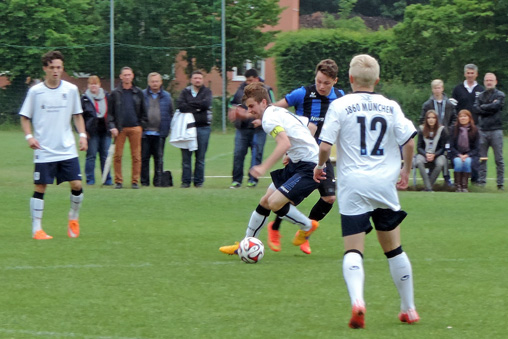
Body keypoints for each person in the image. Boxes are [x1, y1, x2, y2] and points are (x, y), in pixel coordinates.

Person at [314, 54, 419, 328]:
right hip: (383, 185)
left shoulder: (340, 104)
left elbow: (324, 146)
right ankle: (408, 309)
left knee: (353, 250)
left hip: (353, 185)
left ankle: (358, 302)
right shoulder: (390, 106)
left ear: (349, 79)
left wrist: (320, 166)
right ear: (377, 80)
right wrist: (405, 170)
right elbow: (409, 141)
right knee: (394, 249)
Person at [219, 82, 320, 256]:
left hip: (309, 166)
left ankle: (308, 226)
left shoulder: (268, 119)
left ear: (263, 102)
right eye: (247, 107)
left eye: (252, 106)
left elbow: (285, 142)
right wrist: (293, 150)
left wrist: (263, 167)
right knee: (265, 201)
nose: (250, 111)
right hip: (298, 162)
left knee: (274, 203)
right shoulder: (277, 111)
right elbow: (305, 125)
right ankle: (244, 244)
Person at [265, 59, 344, 255]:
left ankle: (305, 233)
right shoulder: (302, 93)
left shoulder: (341, 98)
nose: (321, 86)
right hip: (300, 157)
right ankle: (274, 229)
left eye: (326, 82)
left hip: (321, 156)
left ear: (335, 81)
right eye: (318, 81)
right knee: (287, 198)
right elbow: (275, 109)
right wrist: (286, 149)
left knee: (329, 198)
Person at [19, 50, 87, 240]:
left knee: (76, 184)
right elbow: (25, 117)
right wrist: (29, 137)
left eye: (59, 67)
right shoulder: (35, 91)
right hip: (44, 149)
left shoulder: (71, 90)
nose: (56, 71)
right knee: (41, 186)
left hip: (66, 148)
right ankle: (37, 229)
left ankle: (73, 217)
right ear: (45, 69)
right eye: (52, 68)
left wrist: (82, 135)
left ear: (62, 68)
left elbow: (77, 115)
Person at [229, 69, 274, 188]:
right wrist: (234, 111)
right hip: (242, 128)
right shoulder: (240, 90)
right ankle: (236, 180)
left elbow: (272, 107)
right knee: (238, 154)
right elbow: (232, 104)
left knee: (256, 154)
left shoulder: (267, 90)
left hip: (259, 129)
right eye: (247, 81)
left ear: (257, 79)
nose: (248, 83)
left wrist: (261, 120)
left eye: (251, 80)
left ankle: (253, 180)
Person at [108, 66, 147, 189]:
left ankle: (135, 181)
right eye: (124, 75)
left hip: (135, 128)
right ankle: (118, 181)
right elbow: (110, 113)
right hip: (119, 129)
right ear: (120, 77)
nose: (127, 77)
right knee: (118, 156)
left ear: (132, 76)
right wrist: (112, 126)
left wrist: (141, 126)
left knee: (136, 156)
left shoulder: (138, 92)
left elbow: (144, 112)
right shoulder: (115, 93)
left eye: (129, 75)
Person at [176, 70, 213, 188]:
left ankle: (198, 182)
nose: (197, 80)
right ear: (191, 80)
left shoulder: (207, 92)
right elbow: (181, 106)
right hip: (186, 129)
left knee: (200, 158)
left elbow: (206, 104)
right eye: (195, 78)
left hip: (203, 128)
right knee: (186, 158)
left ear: (202, 80)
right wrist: (197, 107)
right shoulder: (185, 92)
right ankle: (185, 182)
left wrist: (190, 105)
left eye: (199, 78)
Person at [452, 64, 484, 183]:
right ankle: (459, 182)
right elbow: (453, 108)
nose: (470, 75)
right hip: (460, 127)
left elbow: (483, 108)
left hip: (476, 127)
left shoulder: (481, 89)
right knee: (460, 150)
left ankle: (475, 180)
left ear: (476, 74)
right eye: (468, 73)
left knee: (475, 152)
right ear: (465, 74)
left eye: (472, 73)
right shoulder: (458, 89)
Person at [420, 79, 456, 186]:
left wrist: (449, 129)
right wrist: (427, 129)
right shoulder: (428, 104)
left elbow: (454, 118)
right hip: (431, 135)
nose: (437, 90)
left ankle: (447, 178)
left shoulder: (449, 104)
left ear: (442, 89)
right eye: (435, 88)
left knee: (446, 155)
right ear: (432, 89)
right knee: (431, 154)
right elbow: (422, 119)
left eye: (439, 88)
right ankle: (431, 179)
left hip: (445, 135)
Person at [141, 72, 174, 187]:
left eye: (157, 81)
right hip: (145, 133)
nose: (155, 84)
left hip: (160, 133)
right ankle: (144, 182)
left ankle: (158, 181)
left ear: (161, 82)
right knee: (144, 158)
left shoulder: (167, 96)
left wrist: (168, 128)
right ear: (148, 83)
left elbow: (171, 113)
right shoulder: (142, 95)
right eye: (152, 81)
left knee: (158, 159)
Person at [474, 72, 505, 189]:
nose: (489, 82)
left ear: (495, 82)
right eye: (487, 80)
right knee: (482, 158)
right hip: (482, 130)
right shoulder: (480, 96)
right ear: (484, 82)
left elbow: (496, 107)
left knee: (499, 159)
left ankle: (500, 183)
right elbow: (476, 109)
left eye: (491, 80)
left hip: (496, 130)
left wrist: (484, 107)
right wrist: (488, 107)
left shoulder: (500, 94)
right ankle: (481, 182)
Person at [81, 75, 112, 185]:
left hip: (105, 131)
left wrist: (112, 127)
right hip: (91, 132)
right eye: (91, 84)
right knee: (91, 156)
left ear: (99, 85)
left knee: (105, 156)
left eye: (95, 83)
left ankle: (107, 180)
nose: (93, 86)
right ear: (88, 85)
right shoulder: (84, 99)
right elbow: (80, 117)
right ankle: (90, 180)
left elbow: (111, 113)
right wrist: (83, 132)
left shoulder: (107, 96)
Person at [415, 110, 448, 191]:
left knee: (440, 163)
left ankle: (427, 187)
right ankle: (429, 188)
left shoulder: (442, 130)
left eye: (433, 117)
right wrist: (426, 154)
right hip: (423, 154)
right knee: (419, 161)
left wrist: (434, 155)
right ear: (426, 119)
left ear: (436, 119)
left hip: (437, 154)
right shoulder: (421, 129)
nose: (431, 119)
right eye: (429, 118)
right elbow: (419, 147)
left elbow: (442, 148)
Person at [450, 109, 480, 192]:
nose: (463, 118)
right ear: (458, 118)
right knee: (458, 162)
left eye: (465, 116)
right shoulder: (453, 129)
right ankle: (458, 187)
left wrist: (467, 155)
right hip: (456, 154)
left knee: (467, 162)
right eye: (461, 116)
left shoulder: (475, 130)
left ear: (469, 118)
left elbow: (477, 148)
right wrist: (459, 155)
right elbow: (451, 146)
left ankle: (464, 187)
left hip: (470, 154)